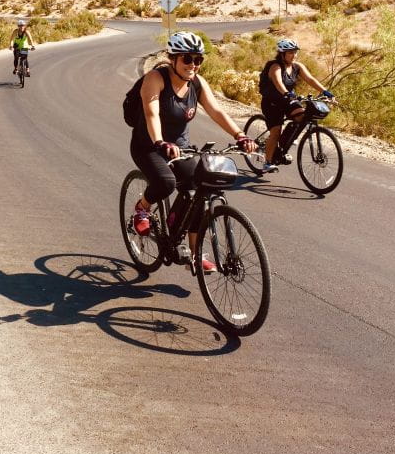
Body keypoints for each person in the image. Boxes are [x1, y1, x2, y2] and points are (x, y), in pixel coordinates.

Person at [129, 31, 257, 273]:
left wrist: (240, 135)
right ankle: (142, 208)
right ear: (172, 58)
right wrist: (159, 142)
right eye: (187, 58)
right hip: (149, 145)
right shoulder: (156, 79)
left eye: (198, 59)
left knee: (202, 188)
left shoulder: (196, 83)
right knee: (166, 182)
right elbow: (151, 114)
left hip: (180, 147)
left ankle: (194, 254)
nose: (193, 65)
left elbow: (217, 111)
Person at [257, 38, 335, 173]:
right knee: (275, 132)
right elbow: (278, 82)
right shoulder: (275, 66)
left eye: (295, 52)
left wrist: (325, 92)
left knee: (302, 116)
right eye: (290, 53)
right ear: (282, 54)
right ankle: (268, 162)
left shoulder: (297, 67)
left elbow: (310, 79)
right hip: (272, 102)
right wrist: (287, 93)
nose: (294, 55)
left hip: (286, 99)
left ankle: (285, 141)